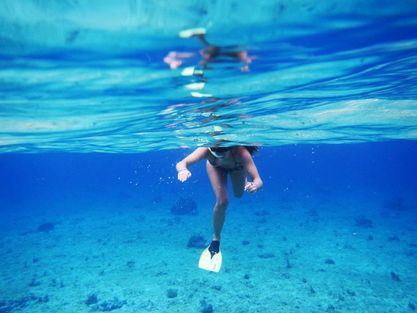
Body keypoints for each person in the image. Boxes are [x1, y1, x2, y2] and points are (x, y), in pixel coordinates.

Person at [176, 145, 263, 271]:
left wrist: (255, 186)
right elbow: (182, 163)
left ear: (231, 147)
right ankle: (216, 240)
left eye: (223, 151)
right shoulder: (206, 149)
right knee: (222, 202)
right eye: (216, 151)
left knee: (238, 194)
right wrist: (182, 170)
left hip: (237, 168)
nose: (220, 153)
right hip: (215, 167)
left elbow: (259, 180)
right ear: (211, 148)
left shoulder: (241, 153)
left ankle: (243, 180)